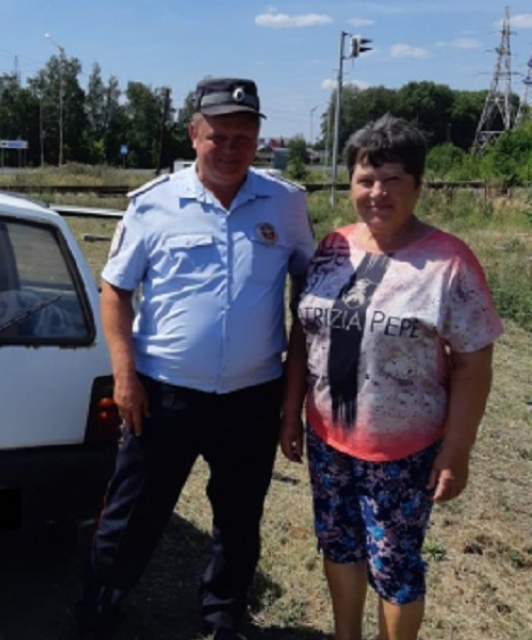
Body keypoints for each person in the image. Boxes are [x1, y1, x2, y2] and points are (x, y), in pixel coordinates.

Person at [75, 77, 316, 640]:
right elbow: (115, 291)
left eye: (243, 137)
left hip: (252, 395)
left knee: (238, 518)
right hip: (162, 393)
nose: (230, 149)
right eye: (218, 137)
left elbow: (306, 297)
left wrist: (291, 401)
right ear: (194, 134)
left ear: (260, 138)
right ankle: (97, 611)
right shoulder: (154, 203)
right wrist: (124, 377)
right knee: (132, 516)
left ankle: (221, 616)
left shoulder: (286, 203)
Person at [279, 114, 504, 640]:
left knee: (395, 564)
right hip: (328, 438)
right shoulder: (333, 247)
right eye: (365, 178)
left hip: (403, 451)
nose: (377, 191)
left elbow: (474, 362)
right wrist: (291, 410)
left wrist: (457, 449)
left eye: (393, 179)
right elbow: (303, 333)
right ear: (350, 181)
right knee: (339, 543)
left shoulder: (448, 262)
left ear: (419, 185)